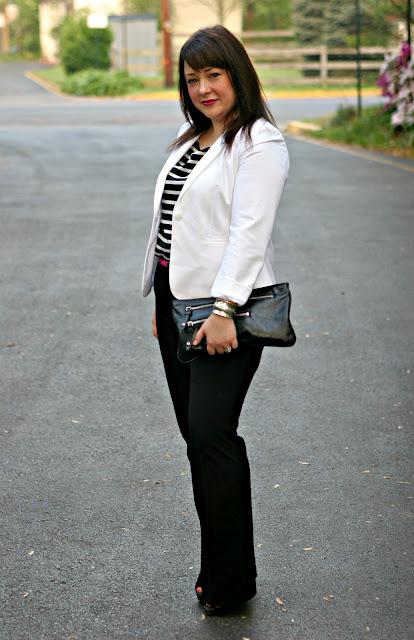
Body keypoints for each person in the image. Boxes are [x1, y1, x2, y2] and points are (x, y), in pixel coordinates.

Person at [141, 25, 289, 615]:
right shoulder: (190, 138)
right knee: (198, 442)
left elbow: (248, 233)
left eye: (214, 74)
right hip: (177, 306)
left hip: (228, 311)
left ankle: (229, 581)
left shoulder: (260, 142)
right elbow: (170, 223)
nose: (203, 87)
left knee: (211, 434)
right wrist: (160, 298)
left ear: (237, 73)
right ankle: (225, 568)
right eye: (193, 77)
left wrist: (224, 308)